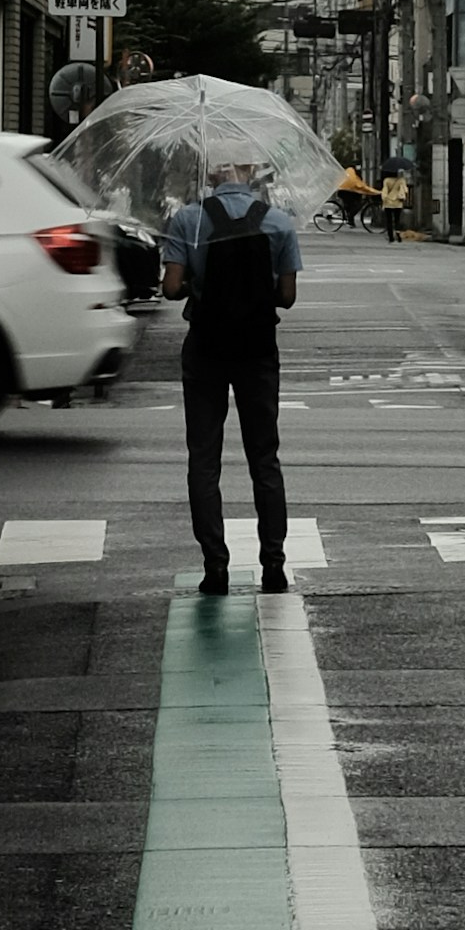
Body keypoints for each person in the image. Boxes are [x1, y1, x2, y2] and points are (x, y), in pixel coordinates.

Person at [162, 143, 301, 595]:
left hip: (205, 347)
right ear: (249, 170)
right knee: (265, 457)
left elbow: (171, 288)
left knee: (204, 458)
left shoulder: (188, 220)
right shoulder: (277, 222)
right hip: (258, 349)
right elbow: (287, 296)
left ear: (213, 172)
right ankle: (274, 565)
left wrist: (201, 284)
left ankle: (215, 567)